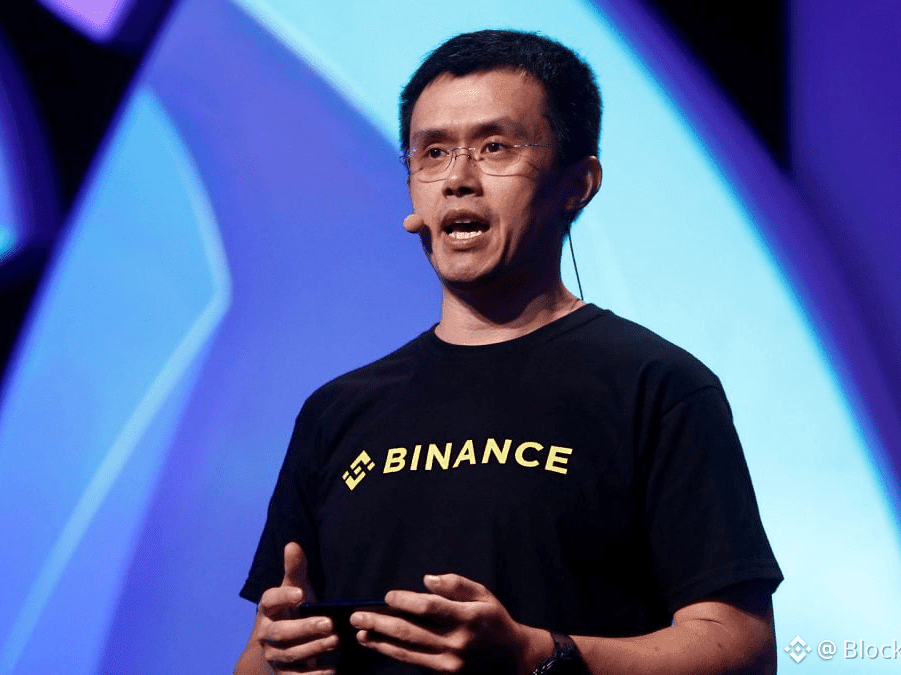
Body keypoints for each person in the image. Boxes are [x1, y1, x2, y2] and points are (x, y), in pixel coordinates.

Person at [235, 29, 782, 675]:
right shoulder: (337, 410)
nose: (458, 180)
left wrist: (535, 655)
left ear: (578, 183)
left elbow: (741, 648)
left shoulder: (657, 386)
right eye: (433, 152)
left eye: (495, 147)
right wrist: (282, 656)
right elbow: (255, 659)